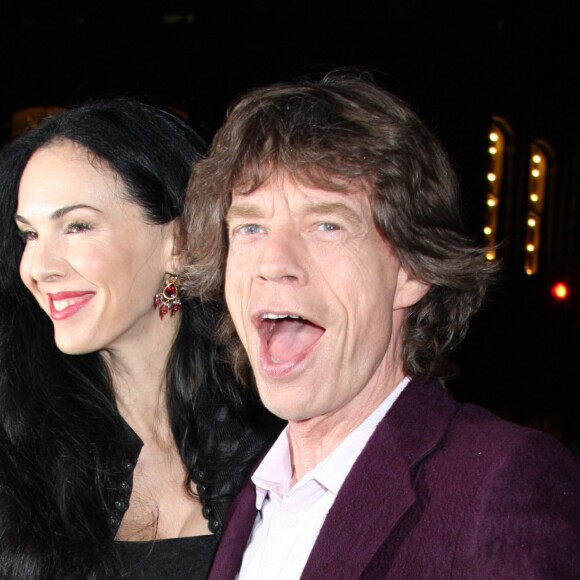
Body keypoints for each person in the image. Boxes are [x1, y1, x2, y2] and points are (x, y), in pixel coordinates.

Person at [183, 71, 580, 579]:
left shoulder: (499, 482)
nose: (273, 262)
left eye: (326, 224)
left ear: (411, 270)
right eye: (250, 227)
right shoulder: (251, 493)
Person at [0, 99, 276, 579]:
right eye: (30, 235)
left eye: (77, 226)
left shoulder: (281, 436)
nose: (39, 268)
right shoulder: (16, 447)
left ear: (180, 243)